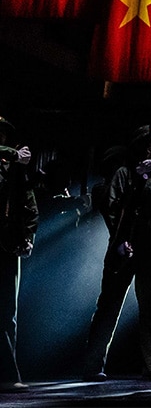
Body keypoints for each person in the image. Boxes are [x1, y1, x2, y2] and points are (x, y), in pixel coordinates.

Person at [83, 125, 151, 381]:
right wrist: (119, 239)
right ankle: (92, 364)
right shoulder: (125, 173)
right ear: (142, 146)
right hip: (127, 239)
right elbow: (111, 206)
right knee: (110, 303)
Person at [0, 117, 35, 392]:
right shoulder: (11, 159)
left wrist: (28, 236)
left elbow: (28, 201)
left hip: (6, 245)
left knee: (6, 313)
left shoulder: (13, 169)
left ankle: (7, 374)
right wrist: (14, 155)